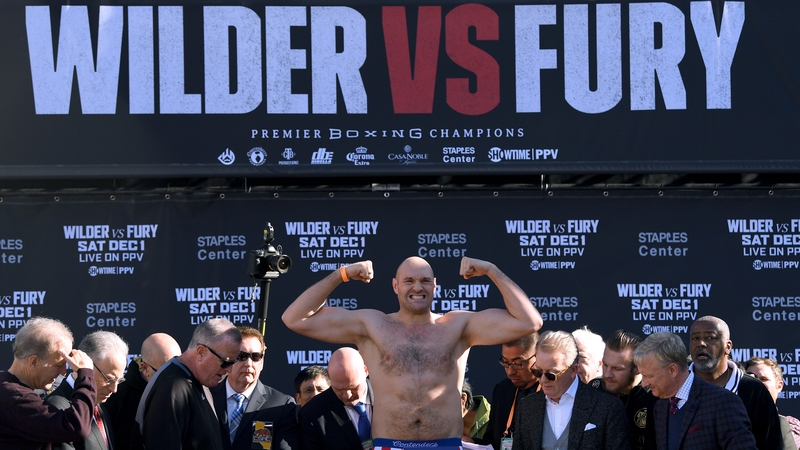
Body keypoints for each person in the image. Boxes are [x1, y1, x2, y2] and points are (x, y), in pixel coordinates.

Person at [282, 256, 542, 449]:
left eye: (424, 281)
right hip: (390, 444)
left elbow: (529, 322)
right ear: (395, 286)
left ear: (435, 286)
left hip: (445, 445)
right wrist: (343, 274)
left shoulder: (458, 326)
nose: (417, 287)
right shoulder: (372, 326)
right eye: (409, 281)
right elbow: (295, 319)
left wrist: (490, 270)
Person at [633, 331, 757, 450]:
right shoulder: (659, 406)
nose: (644, 384)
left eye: (649, 376)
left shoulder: (723, 402)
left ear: (672, 370)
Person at [512, 330, 630, 450]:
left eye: (551, 375)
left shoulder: (607, 407)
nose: (543, 380)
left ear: (573, 370)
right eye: (538, 372)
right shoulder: (527, 407)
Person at [136, 318, 242, 450]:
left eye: (233, 363)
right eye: (226, 362)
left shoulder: (200, 380)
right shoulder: (172, 388)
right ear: (201, 352)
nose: (229, 369)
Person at [0, 317, 97, 450]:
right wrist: (85, 375)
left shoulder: (7, 389)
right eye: (59, 364)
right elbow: (76, 427)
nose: (63, 372)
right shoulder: (17, 399)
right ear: (33, 362)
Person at [689, 316, 784, 450]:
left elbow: (771, 445)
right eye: (695, 338)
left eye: (710, 337)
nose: (701, 343)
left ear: (728, 347)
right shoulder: (675, 385)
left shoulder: (754, 391)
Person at [211, 326, 299, 450]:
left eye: (255, 356)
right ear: (228, 359)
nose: (248, 363)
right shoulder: (205, 397)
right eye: (241, 355)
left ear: (262, 362)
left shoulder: (281, 406)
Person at [46, 331, 129, 450]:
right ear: (84, 363)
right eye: (109, 379)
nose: (114, 389)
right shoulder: (56, 408)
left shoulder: (98, 402)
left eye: (119, 380)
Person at [103, 333, 181, 450]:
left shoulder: (187, 388)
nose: (173, 378)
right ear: (145, 368)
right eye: (165, 373)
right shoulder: (116, 399)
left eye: (178, 369)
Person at [297, 347, 373, 450]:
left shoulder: (394, 397)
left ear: (366, 371)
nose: (347, 395)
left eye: (354, 387)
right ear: (329, 375)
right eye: (339, 389)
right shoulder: (312, 413)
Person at [474, 333, 539, 449]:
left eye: (518, 364)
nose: (510, 372)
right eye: (506, 362)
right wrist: (471, 443)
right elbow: (492, 441)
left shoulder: (552, 392)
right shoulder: (502, 390)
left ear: (538, 356)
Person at [601, 330, 657, 450]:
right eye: (605, 365)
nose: (607, 374)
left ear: (638, 368)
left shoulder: (655, 397)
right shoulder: (594, 390)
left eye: (617, 368)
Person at [744, 358, 800, 450]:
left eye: (763, 379)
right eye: (751, 378)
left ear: (779, 386)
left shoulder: (793, 426)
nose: (757, 383)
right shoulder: (734, 423)